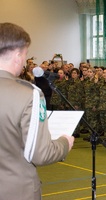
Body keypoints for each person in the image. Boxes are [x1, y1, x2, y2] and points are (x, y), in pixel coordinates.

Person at [0, 22, 74, 199]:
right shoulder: (29, 94)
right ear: (18, 55)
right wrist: (64, 143)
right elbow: (39, 154)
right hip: (16, 190)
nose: (25, 62)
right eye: (25, 55)